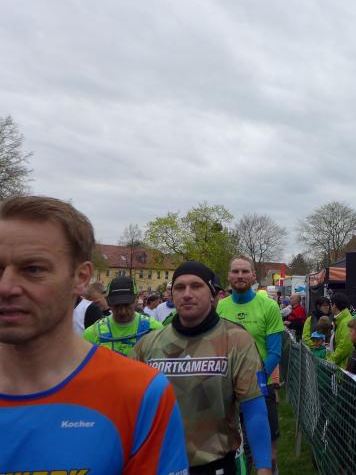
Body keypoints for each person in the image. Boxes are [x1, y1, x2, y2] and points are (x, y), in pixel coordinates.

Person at [0, 195, 188, 472]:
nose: (6, 287)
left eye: (33, 269)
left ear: (81, 278)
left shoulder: (141, 393)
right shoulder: (95, 332)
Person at [131, 261, 273, 475]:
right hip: (159, 465)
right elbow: (129, 409)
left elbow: (254, 409)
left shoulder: (236, 340)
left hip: (215, 465)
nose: (187, 294)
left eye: (196, 286)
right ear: (171, 295)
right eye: (179, 287)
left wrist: (264, 467)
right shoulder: (149, 344)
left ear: (213, 295)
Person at [217, 255, 283, 472]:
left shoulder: (269, 306)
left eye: (245, 271)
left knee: (268, 454)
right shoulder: (219, 307)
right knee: (230, 451)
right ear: (228, 276)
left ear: (253, 276)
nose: (240, 275)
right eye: (235, 271)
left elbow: (274, 352)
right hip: (227, 390)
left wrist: (254, 380)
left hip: (260, 387)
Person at [83, 276, 162, 356]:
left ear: (136, 299)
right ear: (108, 301)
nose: (122, 312)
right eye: (117, 306)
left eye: (127, 305)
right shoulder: (93, 334)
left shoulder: (155, 330)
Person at [327, 292, 354, 368]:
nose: (329, 307)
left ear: (334, 305)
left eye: (330, 304)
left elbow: (344, 347)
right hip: (340, 365)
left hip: (342, 366)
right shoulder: (341, 320)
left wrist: (330, 360)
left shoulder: (346, 322)